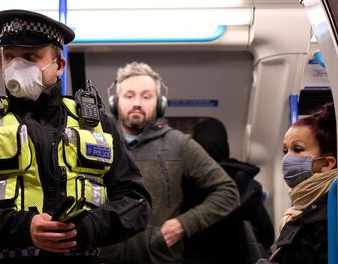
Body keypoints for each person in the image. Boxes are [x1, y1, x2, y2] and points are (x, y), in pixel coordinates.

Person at [0, 9, 151, 263]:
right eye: (9, 56)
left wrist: (89, 227)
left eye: (30, 57)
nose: (16, 66)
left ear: (59, 65)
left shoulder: (97, 125)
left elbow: (137, 202)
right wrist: (22, 227)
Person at [101, 62, 239, 264]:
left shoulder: (178, 143)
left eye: (146, 96)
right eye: (129, 95)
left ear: (159, 103)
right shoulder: (97, 142)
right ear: (115, 102)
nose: (137, 102)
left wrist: (184, 224)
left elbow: (228, 191)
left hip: (159, 258)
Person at [183, 118, 275, 264]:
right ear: (225, 145)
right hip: (231, 257)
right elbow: (266, 234)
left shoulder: (180, 180)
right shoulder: (242, 181)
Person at [256, 103, 336, 264]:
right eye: (286, 151)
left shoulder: (326, 218)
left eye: (298, 149)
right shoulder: (304, 208)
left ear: (327, 164)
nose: (287, 158)